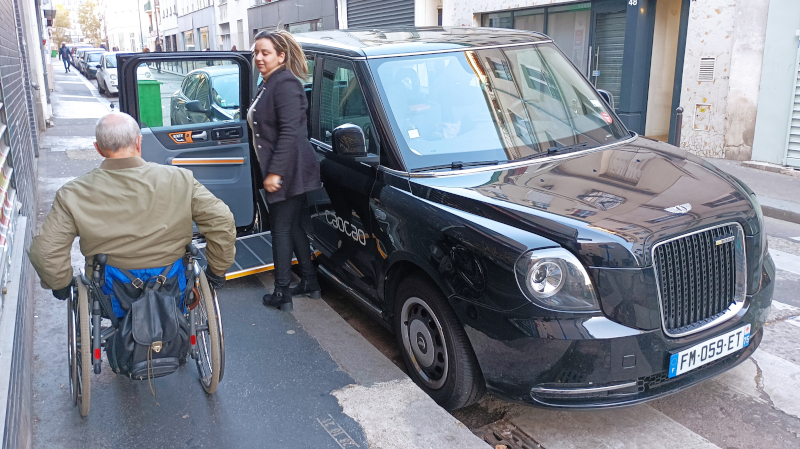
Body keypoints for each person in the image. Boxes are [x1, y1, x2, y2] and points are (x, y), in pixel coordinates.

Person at [28, 112, 236, 313]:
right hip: (173, 283)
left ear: (98, 149)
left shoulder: (73, 193)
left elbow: (45, 252)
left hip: (109, 291)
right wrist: (216, 271)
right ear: (139, 142)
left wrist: (62, 285)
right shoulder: (180, 179)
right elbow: (221, 221)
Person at [249, 29, 321, 311]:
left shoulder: (286, 84)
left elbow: (291, 133)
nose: (259, 57)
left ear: (281, 55)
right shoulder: (269, 83)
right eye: (256, 52)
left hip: (289, 171)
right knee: (292, 226)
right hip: (285, 169)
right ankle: (311, 283)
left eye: (265, 53)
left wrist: (275, 173)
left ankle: (282, 292)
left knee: (280, 229)